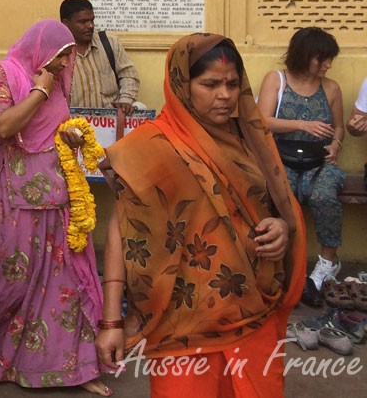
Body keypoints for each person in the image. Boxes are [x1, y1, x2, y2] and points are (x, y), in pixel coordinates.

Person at [97, 35, 305, 398]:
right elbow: (122, 230)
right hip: (180, 322)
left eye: (232, 83)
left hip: (253, 313)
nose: (224, 95)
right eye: (209, 84)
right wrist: (111, 320)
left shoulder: (249, 139)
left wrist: (281, 228)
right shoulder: (150, 146)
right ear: (182, 84)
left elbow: (275, 206)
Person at [0, 20, 110, 396]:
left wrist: (68, 134)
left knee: (62, 286)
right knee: (14, 282)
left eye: (69, 57)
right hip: (17, 197)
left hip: (58, 196)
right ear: (44, 49)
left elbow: (52, 128)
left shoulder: (55, 81)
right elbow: (4, 126)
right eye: (62, 55)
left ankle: (72, 369)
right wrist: (39, 91)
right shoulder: (5, 74)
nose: (66, 63)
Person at [255, 27, 344, 298]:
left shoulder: (330, 88)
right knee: (284, 196)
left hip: (319, 161)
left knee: (323, 195)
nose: (328, 65)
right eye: (322, 59)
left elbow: (338, 127)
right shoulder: (277, 80)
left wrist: (334, 146)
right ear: (304, 56)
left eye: (330, 59)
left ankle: (328, 262)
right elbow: (262, 121)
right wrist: (302, 124)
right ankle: (286, 263)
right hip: (283, 159)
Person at [60, 0, 140, 115]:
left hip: (112, 120)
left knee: (140, 107)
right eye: (83, 22)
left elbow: (129, 75)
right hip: (73, 123)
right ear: (66, 24)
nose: (90, 25)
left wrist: (125, 101)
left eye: (92, 20)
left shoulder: (109, 42)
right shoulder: (57, 54)